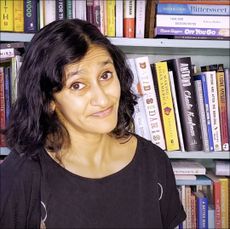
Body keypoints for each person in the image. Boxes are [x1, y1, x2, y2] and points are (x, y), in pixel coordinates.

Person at [0, 19, 186, 228]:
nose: (103, 99)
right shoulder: (21, 175)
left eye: (105, 75)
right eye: (78, 85)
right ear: (49, 100)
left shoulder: (154, 161)